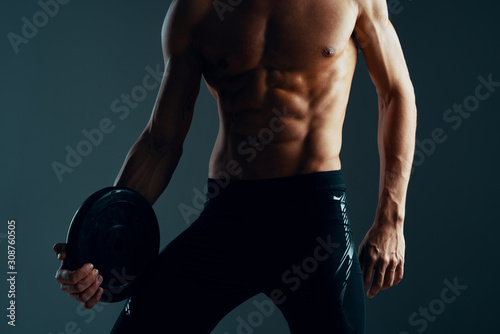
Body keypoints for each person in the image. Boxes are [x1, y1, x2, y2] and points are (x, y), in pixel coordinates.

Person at [54, 0, 416, 332]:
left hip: (315, 221)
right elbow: (160, 142)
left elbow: (396, 93)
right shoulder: (195, 10)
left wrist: (391, 219)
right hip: (230, 216)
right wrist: (101, 241)